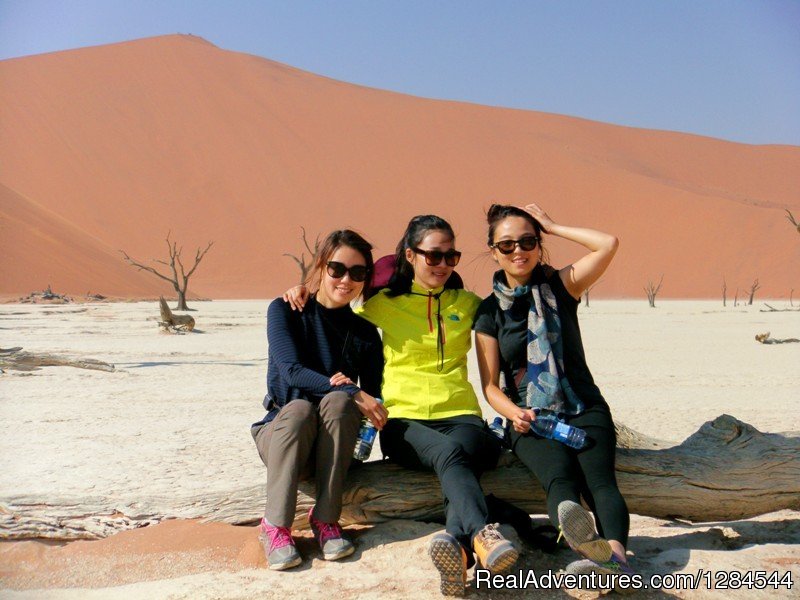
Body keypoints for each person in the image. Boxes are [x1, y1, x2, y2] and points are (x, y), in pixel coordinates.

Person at [285, 215, 518, 597]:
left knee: (459, 450)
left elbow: (512, 304)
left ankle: (459, 548)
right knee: (449, 454)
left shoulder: (469, 304)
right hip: (401, 421)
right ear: (410, 255)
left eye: (451, 257)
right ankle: (484, 532)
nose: (442, 265)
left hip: (462, 416)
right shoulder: (384, 304)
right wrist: (302, 291)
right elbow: (335, 307)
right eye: (433, 256)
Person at [473, 203, 632, 581]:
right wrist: (514, 413)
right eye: (507, 244)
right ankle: (585, 544)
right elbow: (491, 386)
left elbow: (607, 244)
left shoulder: (561, 287)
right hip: (529, 418)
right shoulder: (488, 312)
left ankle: (616, 559)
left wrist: (553, 225)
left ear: (538, 245)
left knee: (600, 482)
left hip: (583, 405)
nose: (518, 251)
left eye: (528, 241)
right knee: (559, 478)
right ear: (493, 250)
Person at [251, 229, 388, 571]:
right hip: (283, 437)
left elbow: (373, 395)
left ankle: (326, 520)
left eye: (358, 273)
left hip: (333, 449)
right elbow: (293, 371)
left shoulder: (366, 333)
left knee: (340, 405)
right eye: (337, 269)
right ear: (321, 265)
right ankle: (274, 526)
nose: (346, 280)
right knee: (300, 408)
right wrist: (348, 389)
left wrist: (360, 402)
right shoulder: (286, 310)